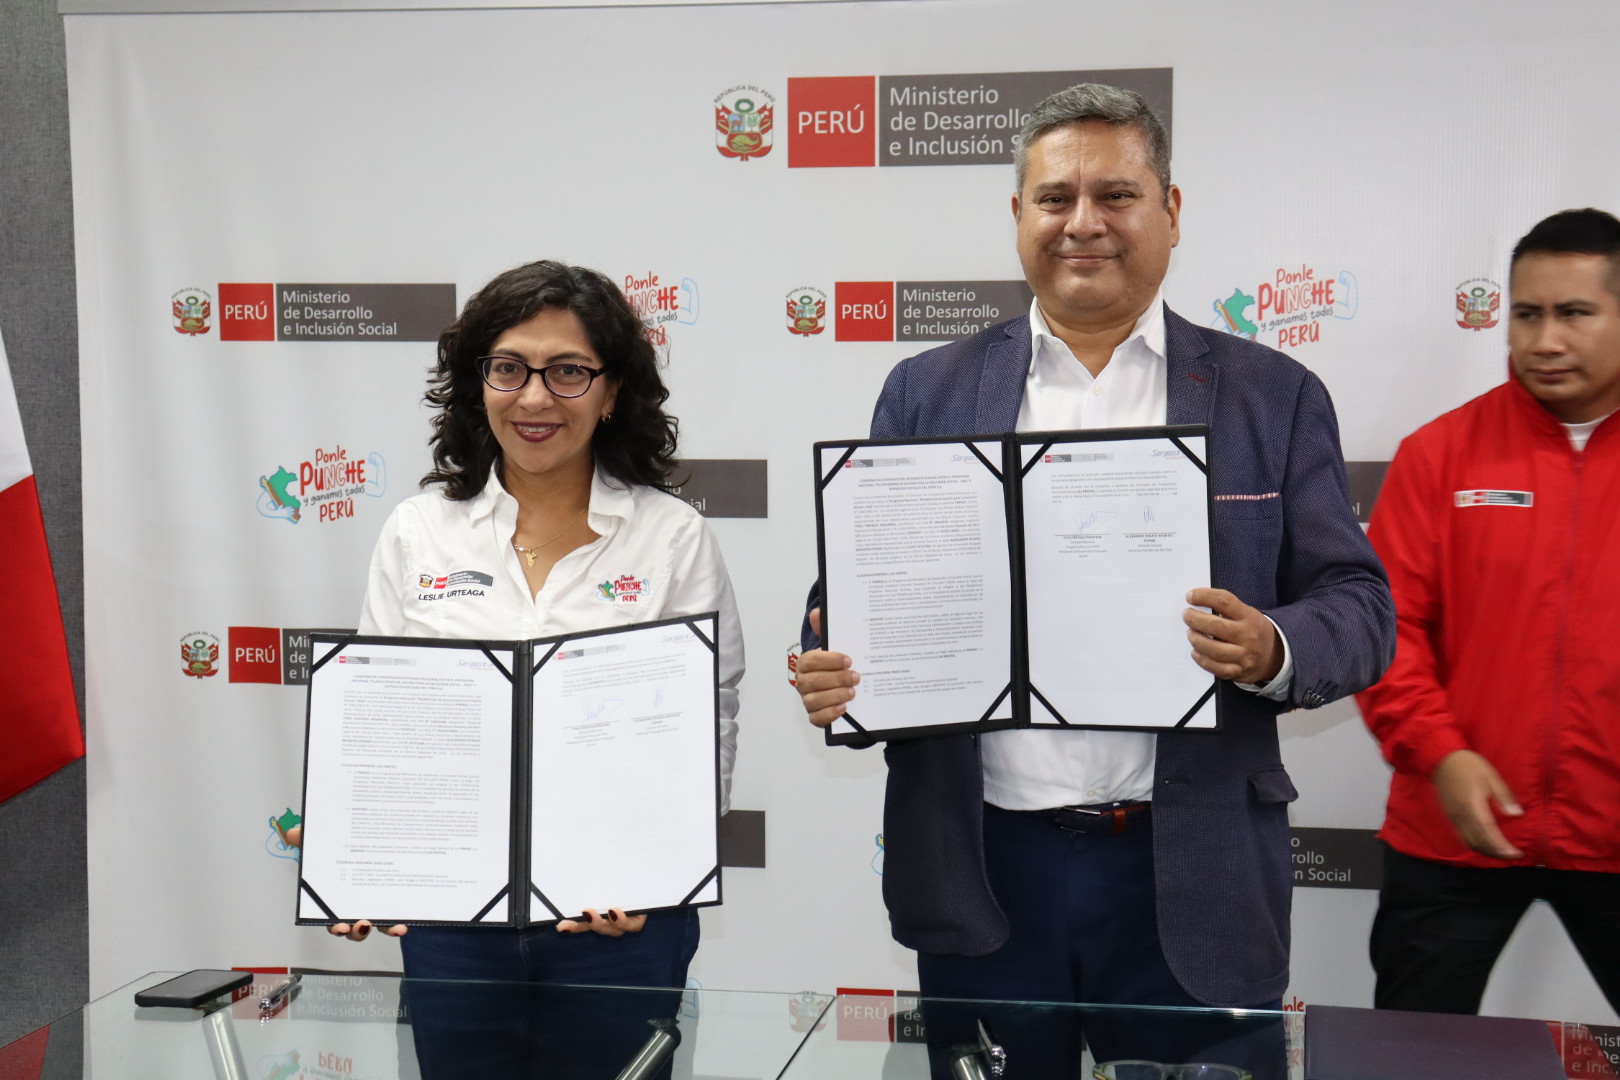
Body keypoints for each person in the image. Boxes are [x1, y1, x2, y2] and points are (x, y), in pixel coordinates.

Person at [793, 83, 1394, 1073]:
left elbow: (1360, 607)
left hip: (1191, 872)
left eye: (1116, 195)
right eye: (1055, 198)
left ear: (1171, 210)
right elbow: (858, 592)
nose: (1084, 223)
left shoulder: (1272, 395)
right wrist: (835, 657)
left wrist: (1272, 646)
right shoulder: (926, 390)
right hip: (986, 872)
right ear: (1017, 216)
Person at [317, 260, 743, 990]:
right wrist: (356, 845)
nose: (535, 397)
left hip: (622, 917)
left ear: (612, 393)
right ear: (478, 384)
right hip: (452, 922)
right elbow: (381, 723)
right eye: (509, 368)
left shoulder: (672, 537)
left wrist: (657, 873)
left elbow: (710, 726)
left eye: (569, 371)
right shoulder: (418, 531)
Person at [1357, 208, 1620, 1016]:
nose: (1545, 340)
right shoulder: (1441, 454)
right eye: (1528, 314)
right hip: (1450, 836)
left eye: (1574, 313)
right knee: (1409, 1061)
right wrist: (1443, 755)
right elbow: (1389, 631)